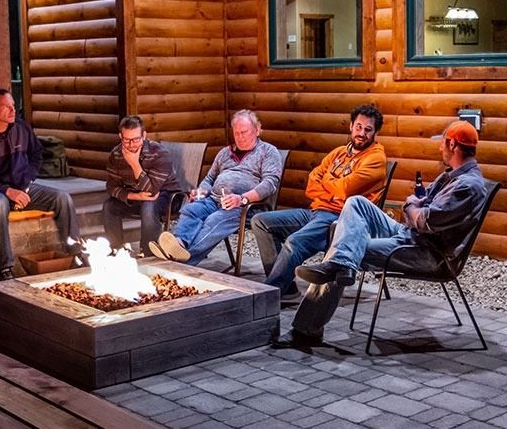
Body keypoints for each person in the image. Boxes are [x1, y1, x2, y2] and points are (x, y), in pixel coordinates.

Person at [276, 121, 487, 347]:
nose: (440, 148)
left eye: (443, 144)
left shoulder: (467, 186)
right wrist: (415, 206)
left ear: (453, 145)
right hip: (410, 235)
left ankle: (306, 330)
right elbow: (422, 203)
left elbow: (425, 218)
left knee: (345, 248)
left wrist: (410, 206)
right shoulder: (452, 176)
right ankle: (342, 264)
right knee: (356, 203)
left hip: (426, 252)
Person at [252, 104, 387, 300]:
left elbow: (344, 189)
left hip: (339, 219)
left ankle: (269, 296)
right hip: (316, 211)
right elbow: (311, 183)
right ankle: (285, 289)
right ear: (351, 126)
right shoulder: (339, 152)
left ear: (375, 133)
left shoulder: (375, 158)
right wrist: (333, 191)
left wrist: (327, 183)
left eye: (368, 129)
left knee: (295, 242)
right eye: (359, 127)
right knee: (261, 221)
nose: (362, 133)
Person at [0, 88, 80, 281]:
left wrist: (27, 181)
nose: (13, 110)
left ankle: (76, 253)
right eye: (6, 107)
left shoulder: (21, 127)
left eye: (13, 105)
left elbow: (37, 154)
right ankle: (4, 268)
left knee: (62, 198)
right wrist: (8, 191)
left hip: (21, 187)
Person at [150, 110, 282, 267]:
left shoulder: (268, 152)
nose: (240, 137)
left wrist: (242, 199)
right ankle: (179, 243)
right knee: (191, 209)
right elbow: (210, 178)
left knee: (214, 220)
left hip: (244, 206)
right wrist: (202, 190)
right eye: (236, 133)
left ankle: (182, 259)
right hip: (213, 200)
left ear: (258, 130)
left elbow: (270, 183)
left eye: (244, 132)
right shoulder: (225, 153)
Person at [102, 116, 179, 256]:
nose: (131, 145)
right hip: (137, 196)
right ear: (120, 137)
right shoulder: (116, 154)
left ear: (144, 135)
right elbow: (111, 187)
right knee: (109, 206)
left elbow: (152, 191)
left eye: (136, 139)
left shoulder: (159, 153)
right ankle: (117, 252)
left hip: (167, 196)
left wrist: (134, 164)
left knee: (148, 206)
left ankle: (148, 253)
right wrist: (135, 196)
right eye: (127, 140)